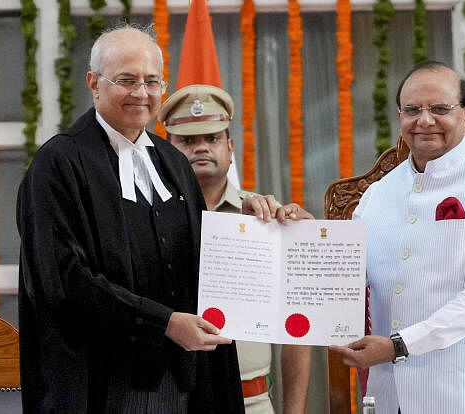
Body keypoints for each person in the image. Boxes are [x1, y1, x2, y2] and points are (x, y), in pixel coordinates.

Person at [16, 26, 244, 413]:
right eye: (126, 80)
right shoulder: (58, 164)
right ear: (94, 83)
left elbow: (207, 259)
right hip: (101, 387)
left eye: (151, 81)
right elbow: (63, 280)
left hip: (185, 383)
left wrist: (265, 222)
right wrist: (164, 323)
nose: (141, 92)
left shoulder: (173, 163)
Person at [330, 61, 465, 413]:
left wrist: (399, 345)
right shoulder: (378, 194)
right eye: (412, 110)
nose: (424, 120)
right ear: (400, 118)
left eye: (440, 109)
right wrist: (300, 236)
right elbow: (343, 273)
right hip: (390, 394)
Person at [157, 84, 313, 414]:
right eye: (187, 141)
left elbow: (298, 328)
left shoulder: (268, 219)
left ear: (230, 149)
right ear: (164, 152)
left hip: (251, 401)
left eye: (212, 139)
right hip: (169, 400)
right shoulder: (147, 221)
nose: (201, 148)